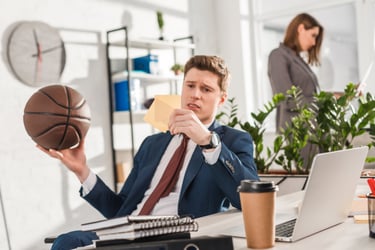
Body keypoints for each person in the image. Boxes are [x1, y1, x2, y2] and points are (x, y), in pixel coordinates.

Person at [39, 55, 259, 249]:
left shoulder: (233, 140)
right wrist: (82, 171)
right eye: (190, 86)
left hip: (176, 237)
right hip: (126, 233)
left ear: (221, 99)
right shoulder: (152, 144)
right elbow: (120, 210)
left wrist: (207, 141)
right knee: (67, 242)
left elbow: (250, 201)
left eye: (206, 89)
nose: (195, 95)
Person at [268, 13, 324, 168]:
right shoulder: (278, 56)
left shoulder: (298, 60)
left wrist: (339, 96)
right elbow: (287, 99)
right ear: (300, 29)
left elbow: (310, 95)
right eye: (313, 36)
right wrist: (324, 100)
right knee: (311, 179)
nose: (314, 43)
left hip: (313, 129)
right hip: (298, 130)